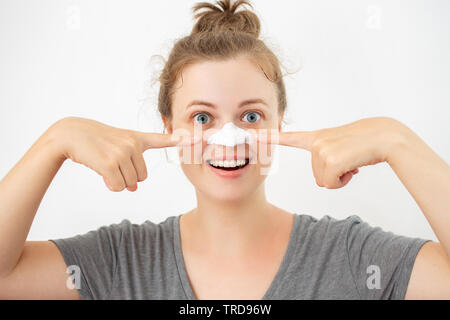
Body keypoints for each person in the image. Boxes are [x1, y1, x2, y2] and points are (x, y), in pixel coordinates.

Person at [0, 0, 449, 300]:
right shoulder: (119, 261)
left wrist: (398, 141)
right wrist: (53, 141)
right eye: (202, 118)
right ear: (167, 129)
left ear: (280, 123)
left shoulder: (352, 256)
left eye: (251, 117)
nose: (227, 140)